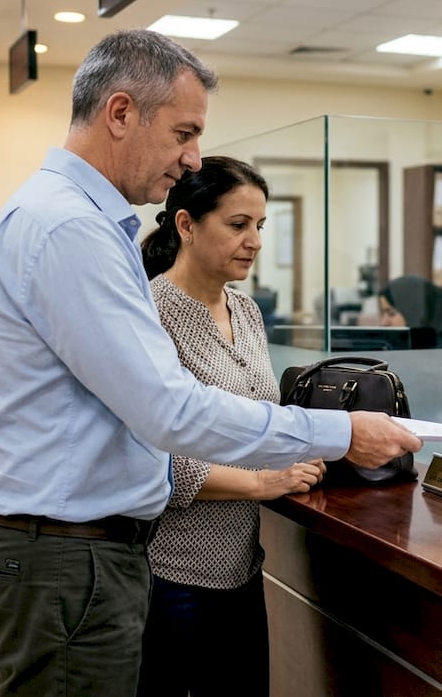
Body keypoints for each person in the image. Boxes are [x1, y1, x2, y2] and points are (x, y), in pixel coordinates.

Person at [0, 30, 421, 697]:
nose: (192, 157)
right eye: (184, 132)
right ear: (120, 113)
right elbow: (170, 409)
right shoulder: (69, 229)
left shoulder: (77, 221)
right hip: (65, 559)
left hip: (76, 554)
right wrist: (342, 432)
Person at [135, 156, 317, 696]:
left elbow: (257, 416)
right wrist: (261, 483)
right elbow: (155, 455)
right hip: (171, 576)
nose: (254, 241)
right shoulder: (150, 312)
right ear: (186, 225)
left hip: (241, 566)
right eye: (238, 225)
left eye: (260, 226)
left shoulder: (246, 311)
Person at [377, 274, 442, 348]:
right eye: (382, 314)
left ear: (416, 314)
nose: (383, 322)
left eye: (391, 314)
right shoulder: (391, 351)